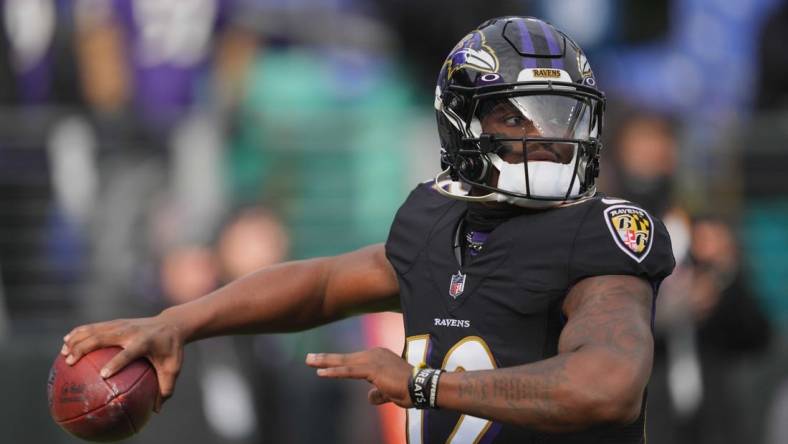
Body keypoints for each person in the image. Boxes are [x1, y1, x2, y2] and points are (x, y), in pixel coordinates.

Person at [60, 17, 675, 443]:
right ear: (462, 124)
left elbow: (607, 385)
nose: (549, 140)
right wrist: (179, 322)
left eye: (564, 116)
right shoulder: (437, 218)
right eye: (519, 118)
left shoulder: (601, 235)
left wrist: (425, 386)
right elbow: (324, 284)